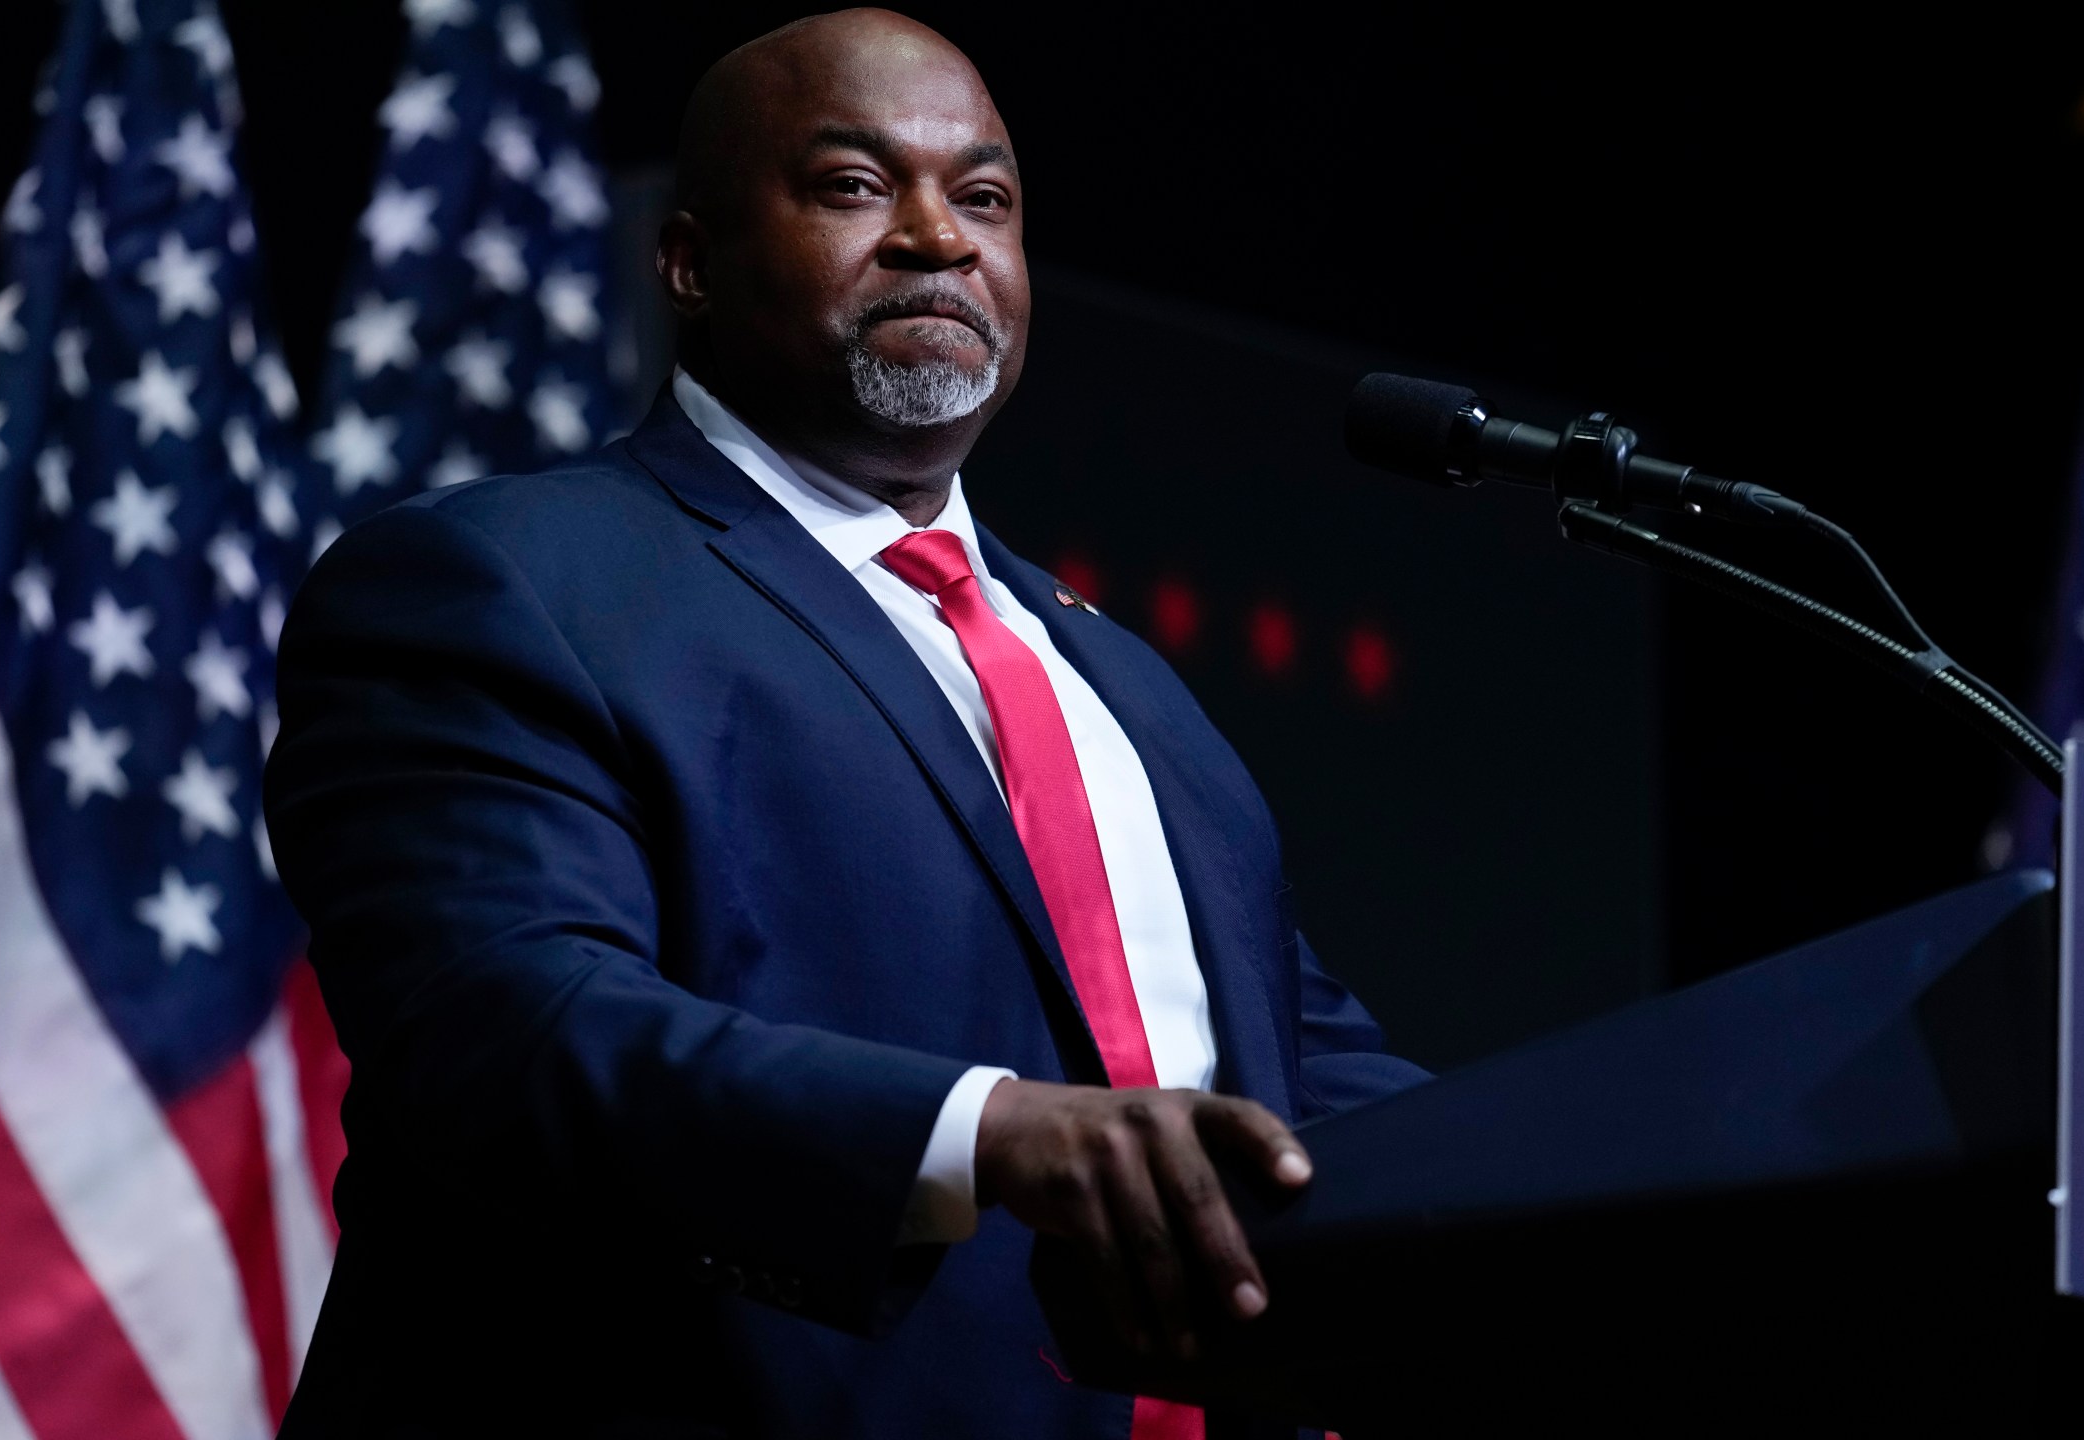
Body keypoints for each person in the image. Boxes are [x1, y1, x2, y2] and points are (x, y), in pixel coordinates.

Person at [263, 10, 1428, 1436]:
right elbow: (514, 1036)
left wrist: (1610, 1173)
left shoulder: (1121, 683)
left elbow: (1305, 1080)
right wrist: (985, 1134)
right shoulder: (503, 584)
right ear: (689, 263)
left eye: (983, 199)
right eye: (856, 185)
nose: (938, 238)